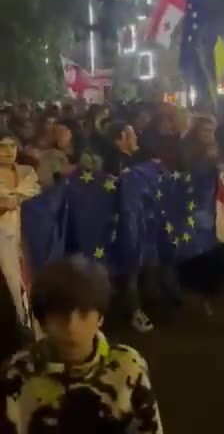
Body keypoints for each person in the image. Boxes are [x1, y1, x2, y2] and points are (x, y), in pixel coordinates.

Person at [0, 256, 163, 434]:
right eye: (60, 315)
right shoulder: (16, 373)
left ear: (100, 318)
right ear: (43, 321)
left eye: (84, 314)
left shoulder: (129, 367)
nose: (72, 326)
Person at [0, 132, 40, 326]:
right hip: (3, 241)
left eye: (12, 146)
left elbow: (42, 204)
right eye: (3, 147)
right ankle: (20, 325)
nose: (8, 151)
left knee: (30, 279)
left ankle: (34, 325)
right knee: (11, 284)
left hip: (27, 239)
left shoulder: (27, 173)